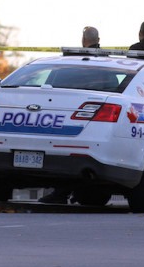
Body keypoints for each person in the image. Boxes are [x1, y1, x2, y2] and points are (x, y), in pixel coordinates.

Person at [39, 26, 102, 205]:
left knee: (65, 155)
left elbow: (51, 85)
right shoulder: (106, 60)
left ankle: (61, 193)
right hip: (95, 118)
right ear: (98, 39)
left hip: (65, 114)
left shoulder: (71, 61)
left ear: (83, 40)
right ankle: (79, 194)